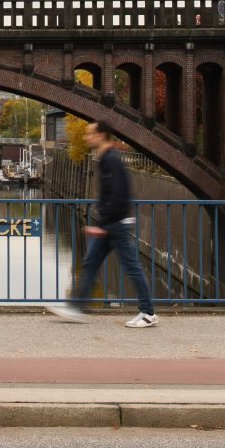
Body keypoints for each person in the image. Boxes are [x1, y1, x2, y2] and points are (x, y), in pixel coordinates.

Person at [46, 120, 158, 328]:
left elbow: (118, 195)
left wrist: (103, 223)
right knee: (90, 264)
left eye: (90, 134)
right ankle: (76, 308)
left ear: (101, 136)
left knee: (132, 268)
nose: (86, 137)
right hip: (111, 224)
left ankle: (148, 312)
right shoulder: (106, 159)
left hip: (116, 225)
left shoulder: (112, 160)